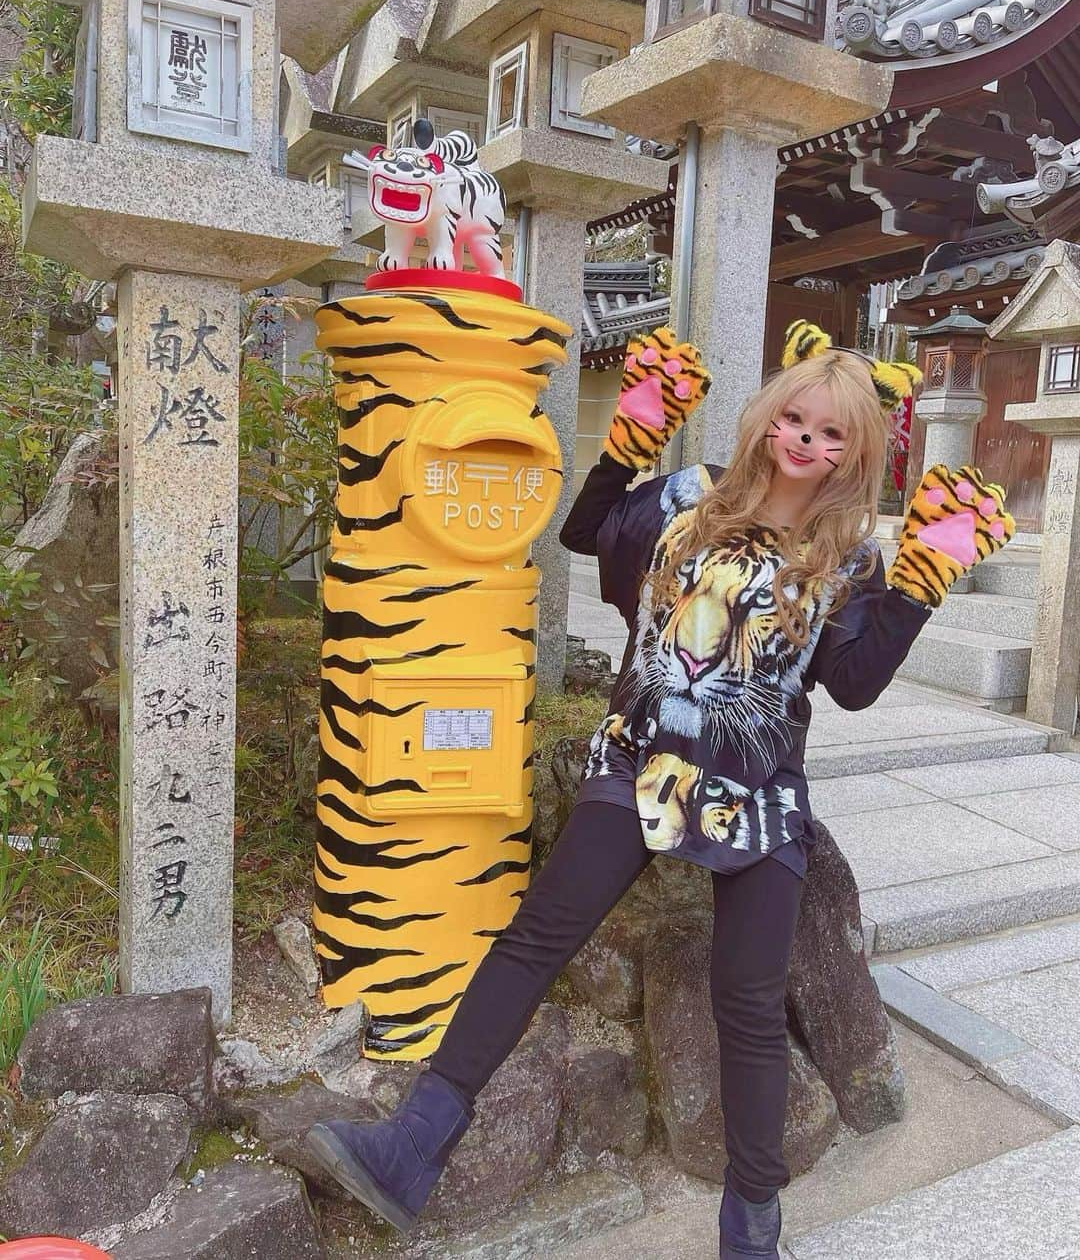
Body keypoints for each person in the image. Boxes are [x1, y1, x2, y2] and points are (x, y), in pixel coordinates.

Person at [305, 321, 1016, 1258]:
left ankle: (752, 1226)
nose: (806, 440)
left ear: (856, 451)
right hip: (641, 756)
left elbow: (853, 683)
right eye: (795, 417)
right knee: (534, 939)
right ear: (767, 417)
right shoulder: (688, 502)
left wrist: (920, 584)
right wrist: (629, 440)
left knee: (749, 999)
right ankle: (413, 1146)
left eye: (833, 433)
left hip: (757, 789)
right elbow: (583, 530)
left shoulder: (849, 557)